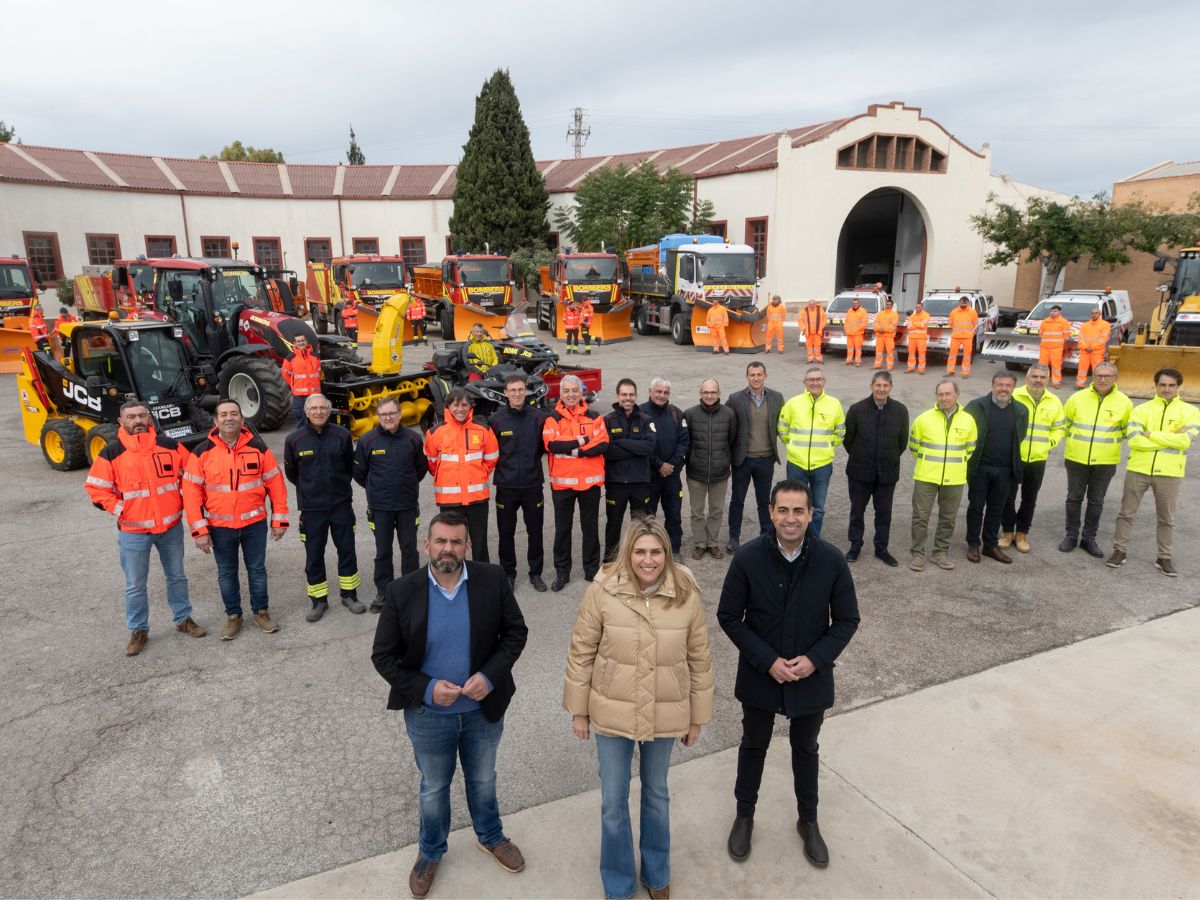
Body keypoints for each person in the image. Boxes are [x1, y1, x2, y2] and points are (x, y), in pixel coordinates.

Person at [371, 511, 529, 900]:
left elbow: (515, 633)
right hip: (428, 716)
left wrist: (489, 676)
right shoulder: (402, 591)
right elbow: (383, 657)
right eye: (440, 541)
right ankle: (430, 853)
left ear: (468, 546)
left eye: (457, 542)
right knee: (434, 788)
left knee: (483, 779)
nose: (448, 549)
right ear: (427, 545)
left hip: (481, 712)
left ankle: (491, 836)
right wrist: (425, 689)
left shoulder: (491, 580)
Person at [564, 516, 713, 900]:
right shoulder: (602, 590)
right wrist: (579, 711)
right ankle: (618, 882)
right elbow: (581, 652)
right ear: (628, 553)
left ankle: (657, 873)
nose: (649, 560)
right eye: (640, 551)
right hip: (612, 712)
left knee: (657, 794)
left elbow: (699, 658)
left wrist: (697, 716)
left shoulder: (686, 592)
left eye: (656, 552)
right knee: (613, 801)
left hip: (666, 710)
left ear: (666, 552)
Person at [718, 480, 860, 868]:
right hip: (761, 675)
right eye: (783, 510)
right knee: (753, 745)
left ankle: (808, 821)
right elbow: (729, 616)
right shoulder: (747, 558)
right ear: (771, 512)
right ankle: (745, 815)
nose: (791, 519)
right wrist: (767, 661)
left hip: (810, 676)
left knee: (806, 748)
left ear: (811, 514)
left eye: (799, 511)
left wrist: (815, 660)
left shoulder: (831, 561)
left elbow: (847, 620)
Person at [85, 399, 206, 655]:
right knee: (135, 585)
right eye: (131, 417)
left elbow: (192, 476)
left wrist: (183, 501)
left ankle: (183, 619)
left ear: (149, 418)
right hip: (133, 532)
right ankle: (138, 630)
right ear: (121, 422)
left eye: (142, 415)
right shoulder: (112, 453)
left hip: (170, 527)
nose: (138, 421)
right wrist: (121, 509)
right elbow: (95, 488)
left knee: (177, 577)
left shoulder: (170, 446)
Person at [182, 399, 288, 639]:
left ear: (242, 418)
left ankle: (261, 612)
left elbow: (276, 485)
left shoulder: (259, 449)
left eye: (234, 414)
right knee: (226, 573)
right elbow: (191, 494)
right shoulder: (202, 452)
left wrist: (279, 520)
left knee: (257, 570)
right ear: (215, 420)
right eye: (224, 414)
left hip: (254, 524)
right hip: (220, 528)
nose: (229, 418)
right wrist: (200, 531)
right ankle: (233, 616)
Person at [1107, 368, 1198, 576]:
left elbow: (1185, 441)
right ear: (1156, 386)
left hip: (1169, 472)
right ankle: (1119, 551)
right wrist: (1168, 438)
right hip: (1138, 469)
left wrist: (1151, 435)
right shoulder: (1141, 409)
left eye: (1171, 385)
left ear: (1178, 387)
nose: (1166, 389)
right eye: (1163, 385)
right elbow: (1134, 440)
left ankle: (1164, 557)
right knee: (1126, 513)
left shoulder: (1191, 412)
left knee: (1166, 517)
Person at [284, 393, 363, 621]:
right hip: (312, 510)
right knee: (314, 555)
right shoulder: (294, 440)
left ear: (329, 412)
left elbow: (350, 466)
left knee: (347, 550)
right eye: (314, 408)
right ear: (306, 412)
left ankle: (349, 595)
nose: (318, 412)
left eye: (323, 408)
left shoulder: (342, 435)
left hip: (340, 505)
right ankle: (319, 601)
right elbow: (292, 474)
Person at [354, 396, 428, 611]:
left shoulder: (413, 439)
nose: (388, 417)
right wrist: (374, 489)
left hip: (407, 505)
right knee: (383, 551)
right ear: (378, 416)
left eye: (392, 413)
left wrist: (407, 485)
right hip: (380, 507)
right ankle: (383, 593)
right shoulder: (367, 441)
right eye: (384, 414)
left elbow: (420, 469)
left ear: (399, 414)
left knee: (409, 550)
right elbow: (359, 473)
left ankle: (411, 592)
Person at [1059, 362, 1133, 558]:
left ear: (1115, 379)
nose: (1103, 379)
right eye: (1099, 375)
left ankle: (1089, 538)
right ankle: (1071, 535)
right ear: (1093, 376)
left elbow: (1127, 431)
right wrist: (1077, 444)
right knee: (1073, 498)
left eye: (1108, 376)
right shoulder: (1077, 398)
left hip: (1105, 461)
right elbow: (1064, 424)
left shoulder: (1124, 402)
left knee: (1096, 501)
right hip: (1076, 458)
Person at [543, 374, 609, 590]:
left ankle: (591, 570)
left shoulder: (595, 417)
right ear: (560, 394)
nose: (571, 395)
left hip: (589, 484)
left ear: (582, 392)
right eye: (566, 391)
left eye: (574, 390)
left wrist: (574, 450)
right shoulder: (552, 419)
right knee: (563, 530)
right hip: (563, 485)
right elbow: (552, 445)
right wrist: (584, 442)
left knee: (590, 528)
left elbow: (602, 444)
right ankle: (562, 572)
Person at [488, 374, 549, 593]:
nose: (517, 394)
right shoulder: (496, 420)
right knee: (506, 533)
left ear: (526, 392)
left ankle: (536, 573)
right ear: (505, 393)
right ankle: (508, 574)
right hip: (506, 487)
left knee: (535, 531)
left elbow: (543, 447)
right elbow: (490, 451)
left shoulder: (539, 418)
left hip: (533, 485)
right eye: (512, 390)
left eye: (520, 390)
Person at [908, 380, 978, 571]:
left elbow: (970, 448)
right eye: (940, 394)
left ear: (957, 395)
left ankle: (940, 553)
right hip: (926, 476)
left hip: (954, 478)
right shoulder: (924, 419)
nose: (944, 398)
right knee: (920, 517)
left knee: (948, 518)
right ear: (936, 396)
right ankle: (917, 554)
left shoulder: (968, 420)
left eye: (948, 394)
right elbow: (914, 446)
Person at [424, 387, 499, 563]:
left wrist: (478, 475)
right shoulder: (435, 433)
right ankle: (455, 577)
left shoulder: (482, 429)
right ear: (448, 407)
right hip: (450, 500)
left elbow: (491, 458)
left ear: (470, 407)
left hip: (477, 498)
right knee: (452, 543)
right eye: (456, 405)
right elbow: (432, 463)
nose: (460, 409)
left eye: (464, 404)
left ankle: (481, 578)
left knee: (479, 543)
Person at [843, 371, 909, 566]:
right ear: (871, 386)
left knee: (884, 513)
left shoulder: (900, 410)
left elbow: (902, 442)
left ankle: (882, 548)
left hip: (887, 473)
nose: (881, 389)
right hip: (859, 472)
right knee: (857, 511)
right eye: (878, 385)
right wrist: (862, 456)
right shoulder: (857, 409)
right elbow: (848, 440)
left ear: (890, 388)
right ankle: (855, 546)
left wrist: (886, 457)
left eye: (885, 386)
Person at [1000, 364, 1067, 553]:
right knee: (1007, 497)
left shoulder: (1054, 402)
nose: (1038, 380)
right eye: (1034, 376)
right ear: (1027, 378)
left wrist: (1048, 443)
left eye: (1043, 377)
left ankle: (1022, 533)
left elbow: (1059, 428)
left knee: (1029, 498)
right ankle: (1006, 532)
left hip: (1037, 458)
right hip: (1013, 457)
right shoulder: (1014, 396)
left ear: (1048, 380)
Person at [964, 373, 1029, 564]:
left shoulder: (1021, 410)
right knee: (976, 507)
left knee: (996, 508)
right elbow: (966, 431)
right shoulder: (976, 406)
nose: (1003, 388)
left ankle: (990, 546)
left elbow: (1020, 436)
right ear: (992, 385)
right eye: (1000, 384)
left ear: (1013, 388)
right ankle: (973, 544)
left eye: (1008, 385)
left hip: (1005, 470)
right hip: (980, 467)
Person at [777, 368, 845, 540]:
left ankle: (812, 541)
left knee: (818, 508)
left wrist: (828, 446)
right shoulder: (793, 403)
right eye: (811, 380)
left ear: (824, 382)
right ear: (804, 383)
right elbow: (782, 427)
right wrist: (792, 444)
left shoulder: (834, 404)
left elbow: (840, 432)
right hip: (796, 464)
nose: (815, 383)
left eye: (819, 379)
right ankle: (796, 538)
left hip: (822, 465)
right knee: (795, 505)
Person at [726, 362, 785, 552]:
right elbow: (726, 424)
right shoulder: (735, 399)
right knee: (737, 500)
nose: (756, 378)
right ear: (747, 377)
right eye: (752, 375)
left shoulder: (777, 398)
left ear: (765, 376)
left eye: (759, 374)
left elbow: (783, 423)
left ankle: (766, 536)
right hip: (743, 460)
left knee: (764, 501)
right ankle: (734, 537)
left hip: (766, 459)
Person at [684, 379, 738, 560]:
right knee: (697, 511)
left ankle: (713, 543)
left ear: (719, 393)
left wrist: (723, 460)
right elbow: (687, 442)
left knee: (716, 510)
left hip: (719, 472)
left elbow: (732, 440)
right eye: (706, 392)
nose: (709, 395)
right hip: (696, 472)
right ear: (700, 393)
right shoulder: (689, 414)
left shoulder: (729, 414)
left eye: (713, 392)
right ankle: (700, 543)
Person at [603, 378, 656, 562]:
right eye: (624, 394)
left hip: (640, 482)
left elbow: (648, 448)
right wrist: (635, 447)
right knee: (613, 524)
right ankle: (610, 560)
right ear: (618, 396)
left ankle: (639, 559)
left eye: (631, 394)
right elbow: (608, 451)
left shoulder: (646, 420)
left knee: (641, 525)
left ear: (636, 396)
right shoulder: (607, 420)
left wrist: (621, 443)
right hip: (616, 483)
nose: (628, 398)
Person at [641, 377, 690, 555]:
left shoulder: (677, 413)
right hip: (649, 477)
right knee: (647, 517)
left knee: (674, 515)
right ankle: (648, 549)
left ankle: (674, 549)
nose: (662, 395)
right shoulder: (640, 413)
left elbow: (684, 442)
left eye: (665, 392)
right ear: (650, 391)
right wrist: (659, 464)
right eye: (658, 391)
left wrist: (670, 464)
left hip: (672, 476)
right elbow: (641, 445)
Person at [282, 333, 322, 429]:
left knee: (317, 419)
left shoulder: (315, 357)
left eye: (302, 340)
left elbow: (319, 373)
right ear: (295, 343)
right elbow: (285, 374)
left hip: (314, 395)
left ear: (306, 342)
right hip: (299, 397)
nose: (301, 343)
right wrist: (293, 385)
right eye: (298, 341)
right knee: (301, 420)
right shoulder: (290, 358)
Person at [1075, 307, 1110, 389]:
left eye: (1096, 313)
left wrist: (1092, 347)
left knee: (1097, 370)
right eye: (1092, 313)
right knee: (1082, 369)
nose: (1094, 315)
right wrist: (1085, 347)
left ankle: (1097, 386)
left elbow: (1103, 338)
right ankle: (1080, 385)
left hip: (1097, 352)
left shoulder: (1105, 325)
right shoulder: (1085, 325)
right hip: (1085, 351)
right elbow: (1080, 338)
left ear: (1099, 314)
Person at [1037, 305, 1072, 387]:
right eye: (1051, 311)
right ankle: (1041, 382)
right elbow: (1041, 333)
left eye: (1055, 311)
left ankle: (1056, 382)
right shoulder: (1045, 321)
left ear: (1059, 312)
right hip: (1044, 348)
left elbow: (1066, 336)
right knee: (1042, 366)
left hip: (1056, 348)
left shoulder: (1064, 322)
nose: (1053, 313)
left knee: (1056, 366)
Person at [946, 295, 978, 377]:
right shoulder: (954, 312)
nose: (963, 304)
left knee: (967, 356)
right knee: (952, 355)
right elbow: (951, 323)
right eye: (962, 302)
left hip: (967, 337)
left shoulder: (972, 312)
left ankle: (965, 373)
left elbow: (974, 323)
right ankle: (950, 371)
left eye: (965, 302)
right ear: (959, 303)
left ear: (968, 303)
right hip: (956, 337)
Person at [872, 297, 899, 371]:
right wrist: (878, 329)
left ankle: (889, 366)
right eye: (887, 304)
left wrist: (883, 330)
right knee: (878, 351)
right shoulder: (880, 313)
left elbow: (893, 326)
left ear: (892, 305)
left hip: (889, 337)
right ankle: (877, 365)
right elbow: (875, 323)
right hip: (880, 336)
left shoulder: (894, 314)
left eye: (889, 304)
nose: (888, 305)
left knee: (890, 352)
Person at [798, 299, 827, 363]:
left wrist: (822, 326)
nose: (812, 305)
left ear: (815, 304)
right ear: (809, 304)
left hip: (817, 332)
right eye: (810, 304)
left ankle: (819, 359)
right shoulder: (804, 311)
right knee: (809, 346)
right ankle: (810, 359)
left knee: (818, 346)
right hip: (808, 332)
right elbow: (800, 320)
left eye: (813, 304)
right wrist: (804, 328)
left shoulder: (820, 310)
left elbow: (825, 318)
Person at [905, 301, 930, 374]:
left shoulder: (926, 315)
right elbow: (908, 326)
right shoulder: (912, 316)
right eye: (916, 307)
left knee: (922, 354)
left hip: (921, 338)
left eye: (918, 307)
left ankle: (921, 369)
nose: (917, 308)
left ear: (922, 307)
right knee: (911, 353)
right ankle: (910, 368)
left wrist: (913, 324)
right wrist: (917, 324)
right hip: (912, 338)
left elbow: (923, 325)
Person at [842, 298, 868, 366]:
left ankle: (858, 361)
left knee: (858, 349)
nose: (855, 304)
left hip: (858, 334)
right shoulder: (849, 311)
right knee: (849, 348)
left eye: (856, 303)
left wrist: (856, 330)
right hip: (849, 334)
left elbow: (864, 323)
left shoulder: (863, 311)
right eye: (853, 303)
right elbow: (846, 322)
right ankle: (849, 360)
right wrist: (846, 330)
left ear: (859, 303)